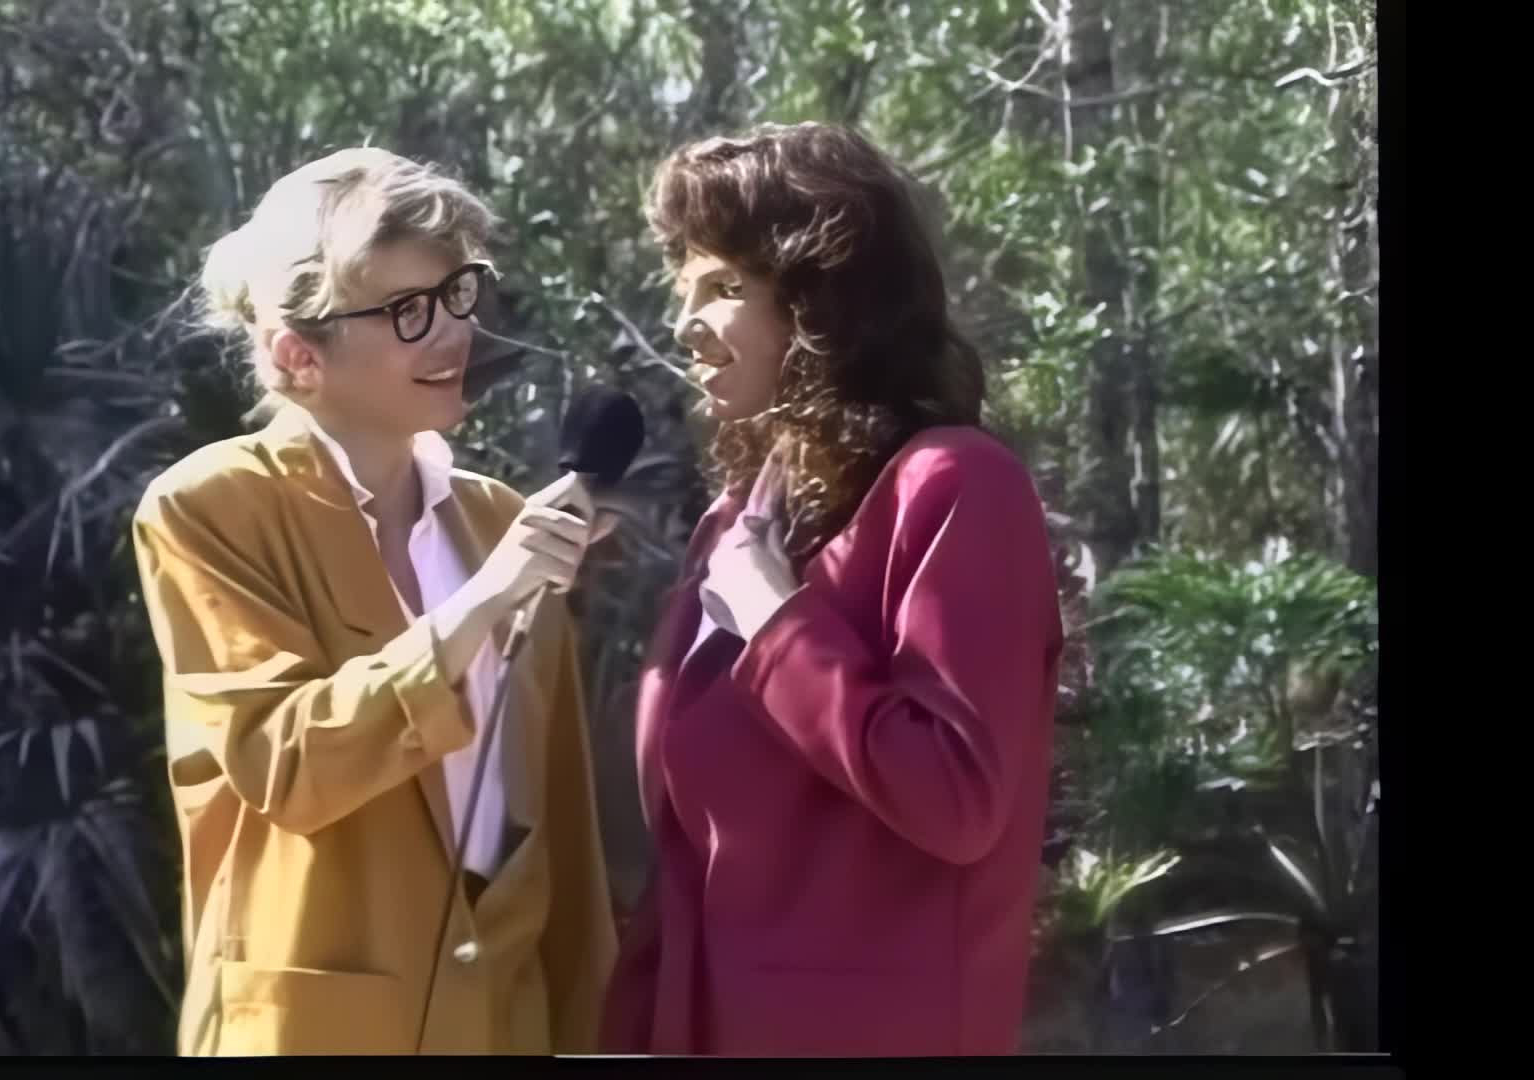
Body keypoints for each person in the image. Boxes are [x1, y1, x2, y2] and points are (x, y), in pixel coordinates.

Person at [131, 145, 616, 1055]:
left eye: (457, 294)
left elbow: (557, 815)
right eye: (407, 311)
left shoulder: (499, 519)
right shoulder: (208, 509)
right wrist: (483, 602)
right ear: (296, 354)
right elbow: (286, 765)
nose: (453, 333)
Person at [598, 122, 1064, 1056]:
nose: (685, 324)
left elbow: (956, 796)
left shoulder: (955, 484)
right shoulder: (734, 520)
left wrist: (778, 624)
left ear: (822, 304)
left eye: (725, 288)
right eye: (683, 289)